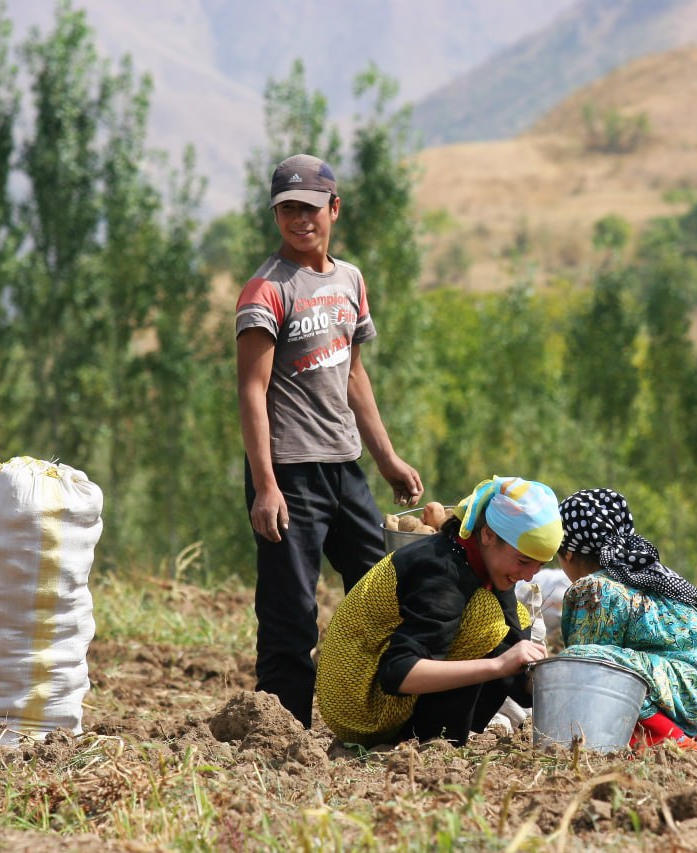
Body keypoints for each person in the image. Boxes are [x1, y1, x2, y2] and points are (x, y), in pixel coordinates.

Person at [236, 153, 424, 727]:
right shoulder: (265, 291)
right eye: (287, 209)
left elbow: (354, 374)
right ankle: (283, 733)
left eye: (310, 208)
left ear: (334, 209)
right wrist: (266, 487)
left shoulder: (350, 281)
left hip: (344, 468)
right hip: (289, 473)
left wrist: (386, 457)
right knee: (291, 609)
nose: (299, 219)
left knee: (380, 589)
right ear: (276, 216)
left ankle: (375, 712)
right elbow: (251, 391)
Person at [315, 476, 562, 746]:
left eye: (537, 567)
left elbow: (513, 666)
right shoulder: (442, 572)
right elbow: (398, 672)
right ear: (488, 535)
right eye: (523, 561)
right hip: (358, 705)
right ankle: (431, 742)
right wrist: (497, 665)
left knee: (512, 621)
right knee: (485, 620)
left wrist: (549, 678)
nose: (528, 576)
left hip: (382, 691)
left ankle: (442, 737)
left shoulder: (484, 563)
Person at [553, 488, 697, 750]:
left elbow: (584, 678)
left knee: (580, 661)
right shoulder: (649, 575)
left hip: (694, 712)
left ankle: (673, 742)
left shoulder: (594, 588)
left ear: (567, 552)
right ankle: (668, 738)